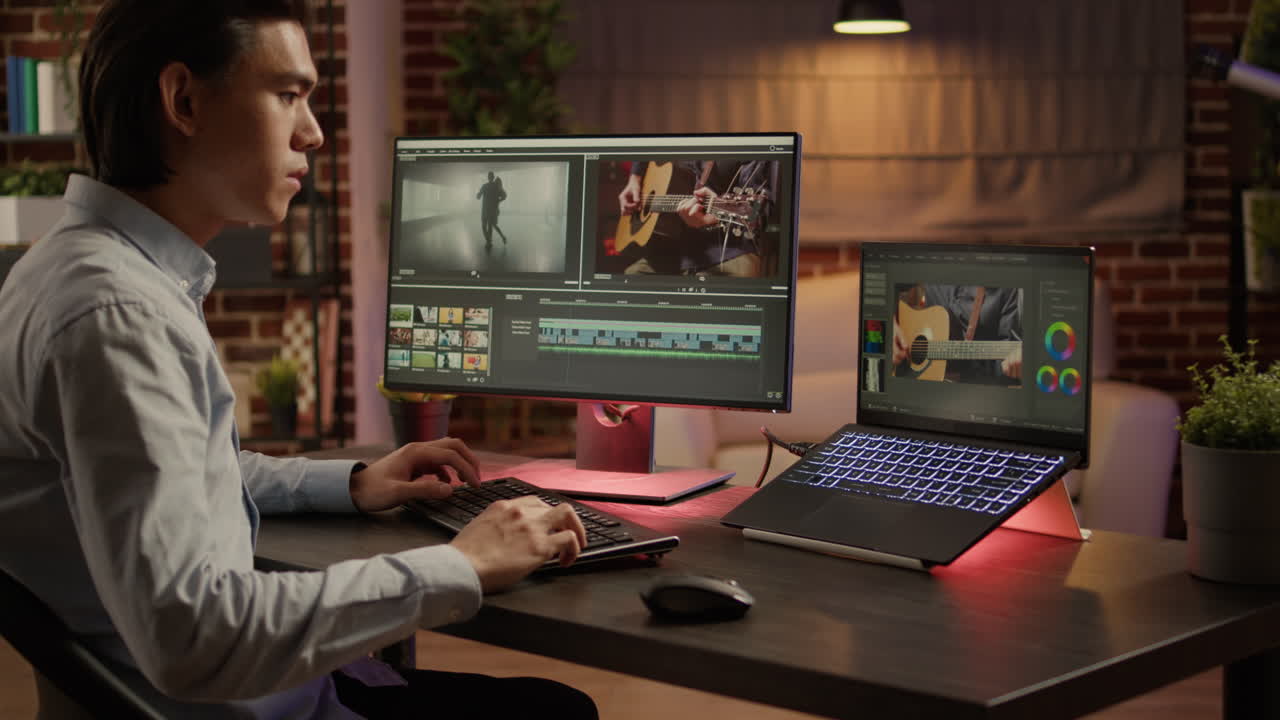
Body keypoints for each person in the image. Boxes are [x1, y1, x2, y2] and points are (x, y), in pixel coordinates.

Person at [0, 2, 596, 718]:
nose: (313, 132)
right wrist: (460, 564)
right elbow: (196, 637)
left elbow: (175, 470)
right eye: (288, 95)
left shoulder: (69, 269)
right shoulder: (118, 316)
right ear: (183, 100)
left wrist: (349, 483)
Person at [616, 159, 779, 276]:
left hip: (724, 247)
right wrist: (635, 177)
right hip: (669, 248)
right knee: (631, 277)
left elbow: (758, 209)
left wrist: (713, 217)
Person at [891, 284, 1023, 385]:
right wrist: (891, 324)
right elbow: (884, 280)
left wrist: (1014, 365)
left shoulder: (1006, 289)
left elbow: (1007, 357)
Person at [475, 171, 507, 248]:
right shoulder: (496, 187)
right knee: (492, 225)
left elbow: (478, 197)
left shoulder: (485, 186)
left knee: (486, 226)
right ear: (492, 177)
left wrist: (478, 195)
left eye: (490, 176)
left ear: (489, 177)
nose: (490, 178)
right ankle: (492, 240)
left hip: (486, 210)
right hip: (492, 209)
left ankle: (489, 241)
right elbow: (504, 196)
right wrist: (498, 201)